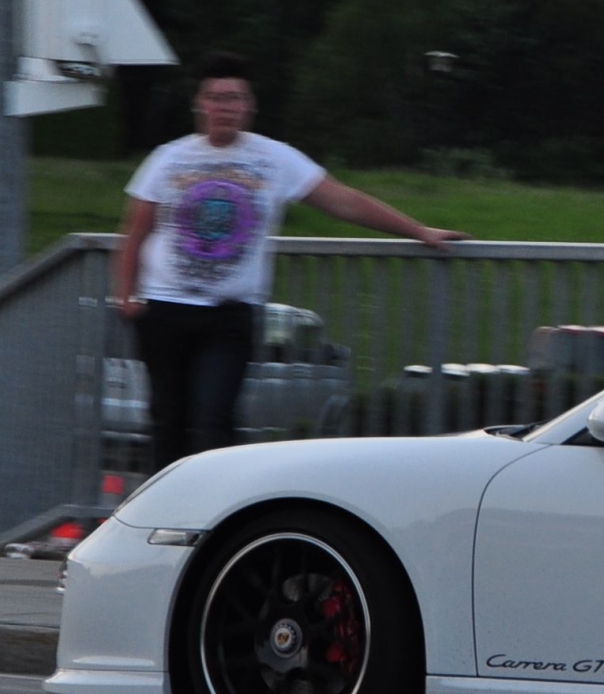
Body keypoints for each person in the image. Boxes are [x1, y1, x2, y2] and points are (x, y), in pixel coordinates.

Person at [112, 51, 466, 468]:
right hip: (165, 308)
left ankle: (215, 516)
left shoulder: (275, 158)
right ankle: (163, 515)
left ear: (249, 106)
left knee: (214, 419)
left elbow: (343, 201)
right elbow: (135, 231)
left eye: (234, 98)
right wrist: (126, 295)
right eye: (216, 97)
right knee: (167, 417)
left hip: (228, 315)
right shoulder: (168, 158)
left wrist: (419, 230)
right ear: (200, 104)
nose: (225, 107)